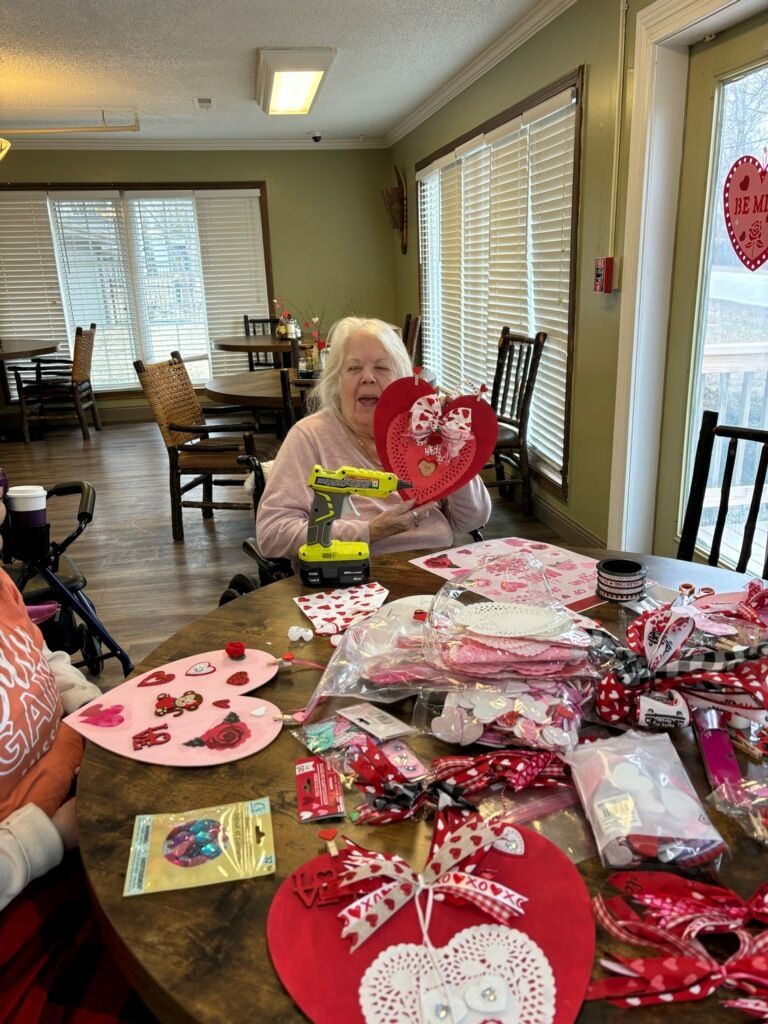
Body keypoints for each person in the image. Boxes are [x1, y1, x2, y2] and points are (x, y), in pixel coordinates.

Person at [256, 316, 492, 560]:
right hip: (351, 580)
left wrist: (454, 447)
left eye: (381, 367)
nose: (367, 377)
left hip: (433, 570)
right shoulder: (309, 437)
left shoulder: (423, 430)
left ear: (400, 378)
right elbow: (273, 533)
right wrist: (368, 532)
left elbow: (471, 520)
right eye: (354, 368)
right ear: (338, 381)